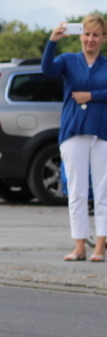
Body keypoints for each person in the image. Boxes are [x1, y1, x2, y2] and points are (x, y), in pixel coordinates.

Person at [42, 15, 107, 261]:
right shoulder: (69, 60)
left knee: (103, 191)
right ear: (81, 36)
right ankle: (79, 245)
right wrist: (53, 41)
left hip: (102, 132)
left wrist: (92, 95)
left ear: (103, 38)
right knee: (77, 191)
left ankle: (100, 246)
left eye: (96, 35)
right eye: (87, 34)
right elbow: (47, 69)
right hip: (73, 132)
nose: (91, 39)